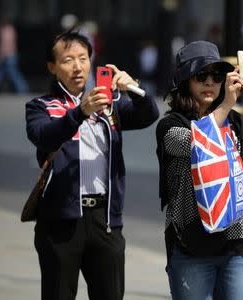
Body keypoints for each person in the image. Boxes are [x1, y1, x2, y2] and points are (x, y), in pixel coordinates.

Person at [25, 31, 159, 300]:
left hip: (105, 220)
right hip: (60, 222)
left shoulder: (109, 105)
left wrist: (133, 88)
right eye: (67, 60)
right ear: (52, 67)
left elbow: (148, 116)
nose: (77, 67)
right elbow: (42, 135)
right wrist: (80, 112)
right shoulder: (40, 106)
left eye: (83, 58)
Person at [156, 40, 243, 299]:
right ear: (185, 80)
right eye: (201, 75)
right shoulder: (171, 125)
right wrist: (225, 105)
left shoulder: (234, 121)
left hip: (239, 240)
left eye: (216, 75)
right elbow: (196, 142)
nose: (210, 82)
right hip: (192, 243)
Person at [0, 20, 28, 93]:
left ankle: (22, 88)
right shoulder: (11, 30)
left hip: (7, 55)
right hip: (12, 54)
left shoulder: (4, 30)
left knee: (10, 73)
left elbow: (3, 45)